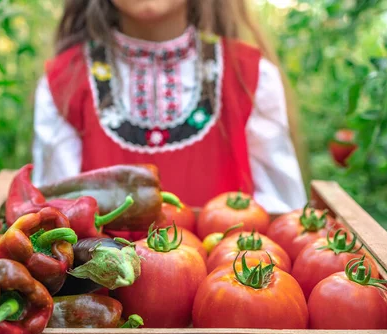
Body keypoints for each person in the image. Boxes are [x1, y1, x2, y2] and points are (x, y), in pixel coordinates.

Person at [32, 0, 307, 213]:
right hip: (95, 287)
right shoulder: (64, 84)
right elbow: (57, 227)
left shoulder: (251, 77)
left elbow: (282, 224)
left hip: (234, 281)